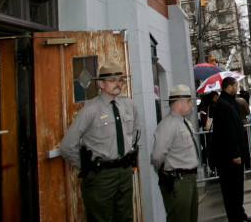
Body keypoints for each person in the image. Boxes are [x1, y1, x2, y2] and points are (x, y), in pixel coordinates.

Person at [60, 61, 141, 222]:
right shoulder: (90, 110)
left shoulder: (128, 105)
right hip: (101, 176)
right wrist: (87, 167)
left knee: (126, 218)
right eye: (112, 81)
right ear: (101, 84)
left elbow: (136, 131)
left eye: (120, 80)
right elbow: (67, 146)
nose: (118, 84)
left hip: (124, 172)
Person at [151, 85, 199, 222]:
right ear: (179, 103)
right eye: (188, 101)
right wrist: (165, 171)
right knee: (180, 218)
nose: (191, 104)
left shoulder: (183, 123)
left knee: (191, 217)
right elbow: (157, 156)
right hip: (179, 180)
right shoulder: (168, 125)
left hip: (189, 179)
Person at [212, 77, 251, 222]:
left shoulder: (229, 103)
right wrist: (235, 153)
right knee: (232, 190)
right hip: (229, 158)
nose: (237, 88)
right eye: (236, 85)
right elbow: (228, 132)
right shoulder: (223, 105)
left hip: (233, 155)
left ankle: (240, 215)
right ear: (229, 87)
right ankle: (236, 217)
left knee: (237, 189)